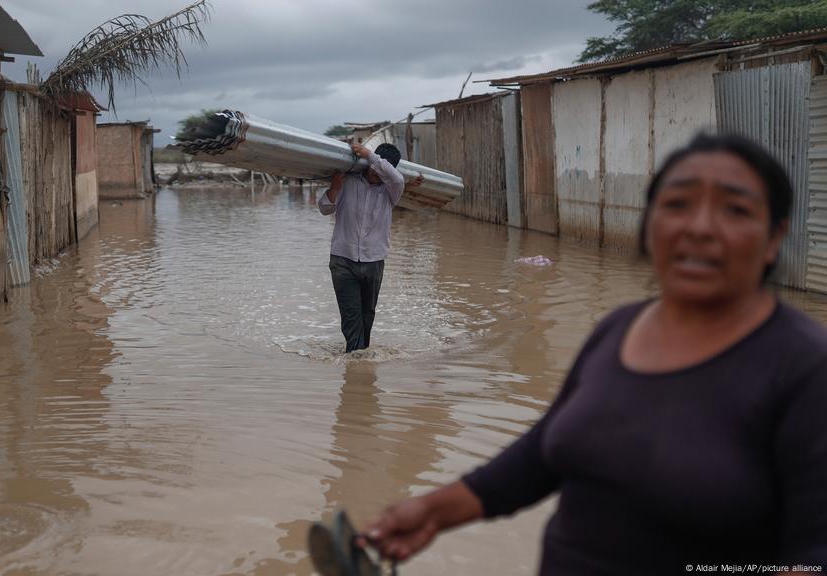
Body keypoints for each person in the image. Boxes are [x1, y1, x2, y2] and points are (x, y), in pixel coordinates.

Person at [361, 134, 827, 574]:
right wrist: (431, 512)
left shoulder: (804, 368)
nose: (700, 227)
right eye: (677, 204)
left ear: (774, 236)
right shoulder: (619, 329)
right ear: (651, 225)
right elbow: (542, 455)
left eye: (735, 210)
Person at [318, 142, 420, 352]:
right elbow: (324, 209)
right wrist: (335, 188)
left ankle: (360, 365)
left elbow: (398, 177)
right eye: (374, 166)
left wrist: (369, 155)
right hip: (342, 260)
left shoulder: (392, 190)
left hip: (374, 261)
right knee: (351, 315)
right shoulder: (349, 181)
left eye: (382, 168)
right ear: (368, 164)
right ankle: (356, 364)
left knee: (368, 315)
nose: (377, 172)